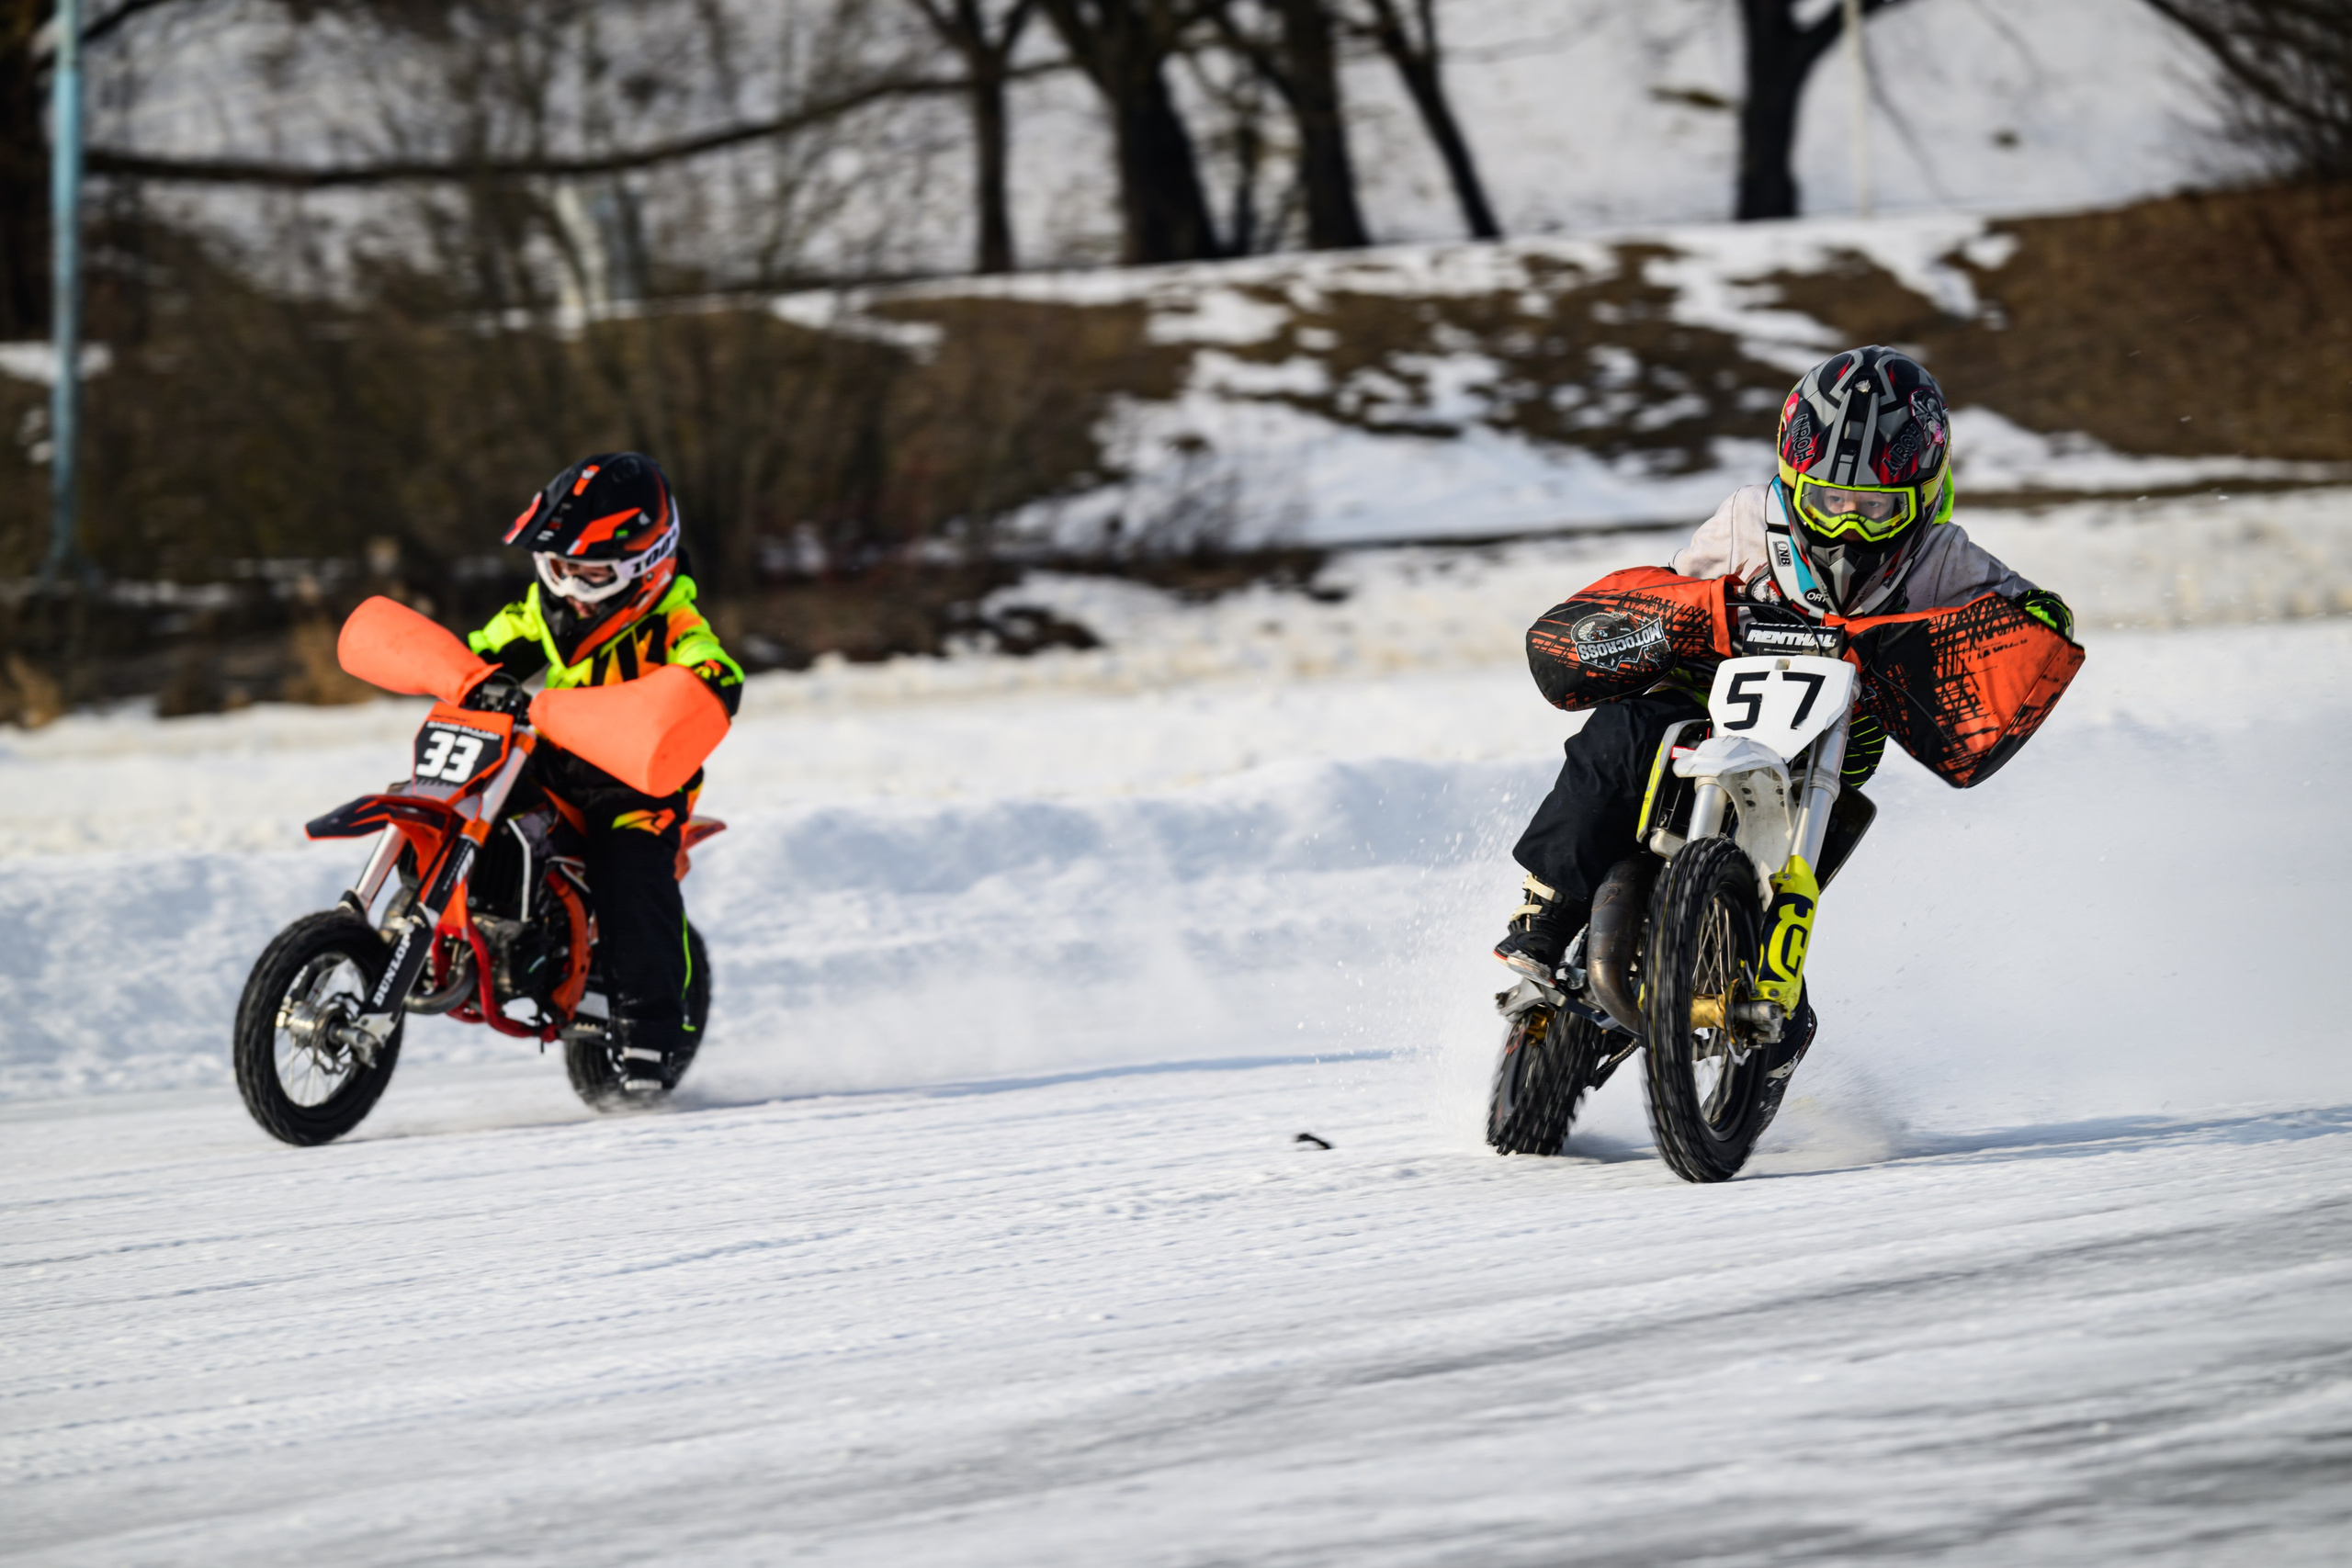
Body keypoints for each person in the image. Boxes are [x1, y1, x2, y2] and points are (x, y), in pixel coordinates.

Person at [1494, 346, 2080, 1085]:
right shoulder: (1747, 519)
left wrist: (2029, 622)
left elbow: (2030, 609)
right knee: (1625, 732)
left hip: (1833, 738)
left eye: (1876, 509)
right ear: (1793, 482)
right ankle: (1545, 912)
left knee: (1837, 800)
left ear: (1925, 495)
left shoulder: (1942, 557)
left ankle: (1770, 986)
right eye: (1831, 502)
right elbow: (1666, 590)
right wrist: (1696, 612)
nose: (1850, 525)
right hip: (1707, 696)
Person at [463, 452, 744, 1094]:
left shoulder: (671, 620)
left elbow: (711, 663)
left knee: (630, 874)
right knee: (481, 792)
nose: (570, 585)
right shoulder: (548, 610)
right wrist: (465, 673)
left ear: (643, 564)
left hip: (638, 780)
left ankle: (651, 1032)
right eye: (557, 566)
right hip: (558, 757)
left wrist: (707, 681)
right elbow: (482, 653)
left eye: (588, 571)